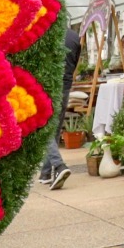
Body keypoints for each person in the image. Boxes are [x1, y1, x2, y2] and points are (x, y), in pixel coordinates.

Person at [38, 20, 82, 190]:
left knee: (43, 128)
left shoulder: (48, 34)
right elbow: (76, 62)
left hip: (48, 84)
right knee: (54, 128)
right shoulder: (74, 36)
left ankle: (58, 164)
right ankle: (46, 173)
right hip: (65, 85)